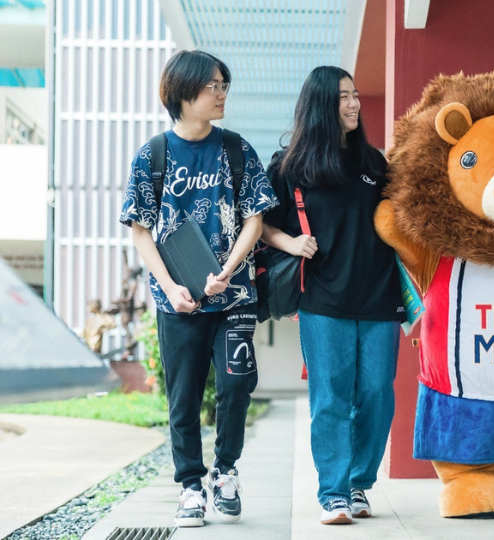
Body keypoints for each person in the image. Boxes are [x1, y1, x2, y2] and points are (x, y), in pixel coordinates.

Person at [119, 50, 278, 528]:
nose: (221, 93)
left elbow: (255, 218)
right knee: (183, 395)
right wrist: (168, 285)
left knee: (236, 385)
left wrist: (228, 270)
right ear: (183, 92)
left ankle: (224, 472)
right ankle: (190, 486)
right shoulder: (153, 154)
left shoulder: (237, 150)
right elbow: (140, 229)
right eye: (213, 85)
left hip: (233, 297)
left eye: (224, 84)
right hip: (178, 301)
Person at [261, 66, 403, 526]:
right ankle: (334, 492)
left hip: (380, 297)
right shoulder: (288, 167)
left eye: (356, 95)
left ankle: (361, 481)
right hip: (323, 300)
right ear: (322, 103)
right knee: (331, 398)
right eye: (344, 96)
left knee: (378, 394)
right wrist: (290, 242)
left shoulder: (375, 164)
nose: (355, 103)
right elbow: (260, 224)